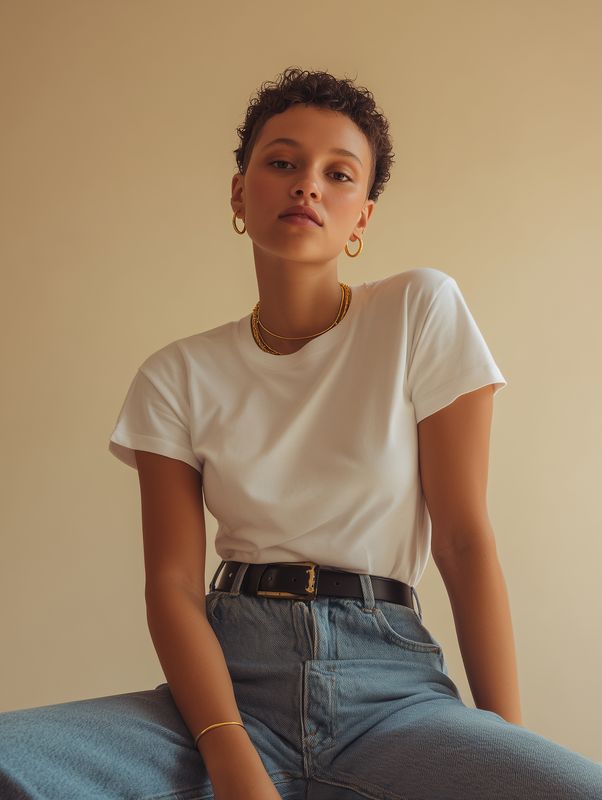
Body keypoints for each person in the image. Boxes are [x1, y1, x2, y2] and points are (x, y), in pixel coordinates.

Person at [1, 65, 601, 800]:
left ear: (363, 221)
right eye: (282, 162)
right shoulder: (176, 374)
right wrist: (229, 758)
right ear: (238, 193)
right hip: (227, 689)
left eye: (339, 174)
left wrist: (507, 747)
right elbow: (172, 586)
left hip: (393, 695)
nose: (307, 184)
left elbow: (463, 540)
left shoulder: (420, 310)